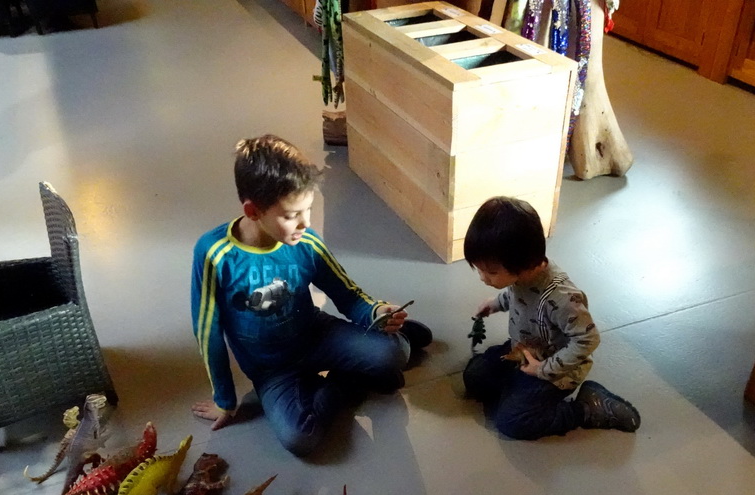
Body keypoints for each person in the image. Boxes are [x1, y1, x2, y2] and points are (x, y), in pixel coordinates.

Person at [190, 135, 431, 457]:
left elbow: (347, 294)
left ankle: (396, 335)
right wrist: (225, 399)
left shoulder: (307, 242)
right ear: (253, 210)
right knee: (300, 437)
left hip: (317, 335)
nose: (305, 223)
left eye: (309, 209)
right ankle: (349, 382)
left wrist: (375, 312)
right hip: (271, 370)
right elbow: (208, 331)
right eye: (292, 215)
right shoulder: (214, 254)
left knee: (395, 354)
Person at [462, 196, 640, 440]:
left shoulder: (562, 297)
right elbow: (517, 295)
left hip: (554, 369)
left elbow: (588, 340)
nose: (483, 278)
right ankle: (518, 389)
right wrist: (495, 304)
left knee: (511, 422)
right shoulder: (523, 274)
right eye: (479, 269)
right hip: (524, 351)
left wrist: (543, 369)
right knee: (474, 377)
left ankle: (587, 408)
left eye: (491, 272)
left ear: (524, 264)